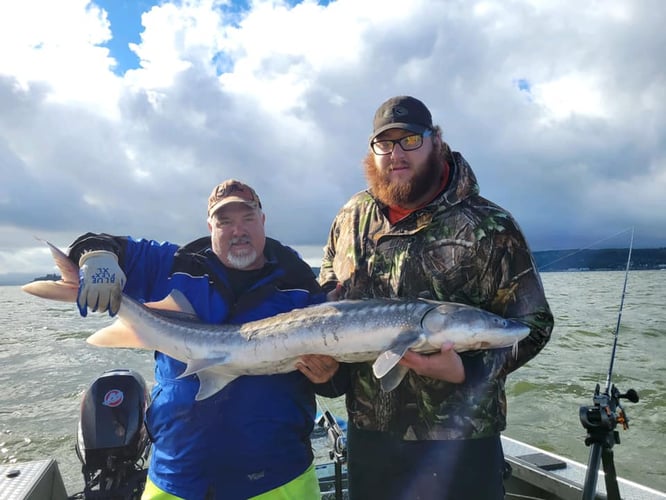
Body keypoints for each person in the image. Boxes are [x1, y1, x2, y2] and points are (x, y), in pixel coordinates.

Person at [319, 96, 555, 499]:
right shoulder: (349, 218)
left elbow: (532, 325)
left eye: (409, 140)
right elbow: (327, 301)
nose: (396, 154)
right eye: (384, 143)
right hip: (371, 434)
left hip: (460, 438)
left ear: (435, 141)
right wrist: (329, 374)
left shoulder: (489, 223)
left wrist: (467, 372)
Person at [70, 179, 340, 500]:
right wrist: (96, 258)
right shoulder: (172, 267)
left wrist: (329, 377)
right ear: (210, 225)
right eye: (225, 221)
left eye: (248, 218)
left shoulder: (301, 285)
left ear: (263, 221)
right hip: (176, 475)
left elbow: (337, 380)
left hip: (279, 477)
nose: (237, 230)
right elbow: (99, 241)